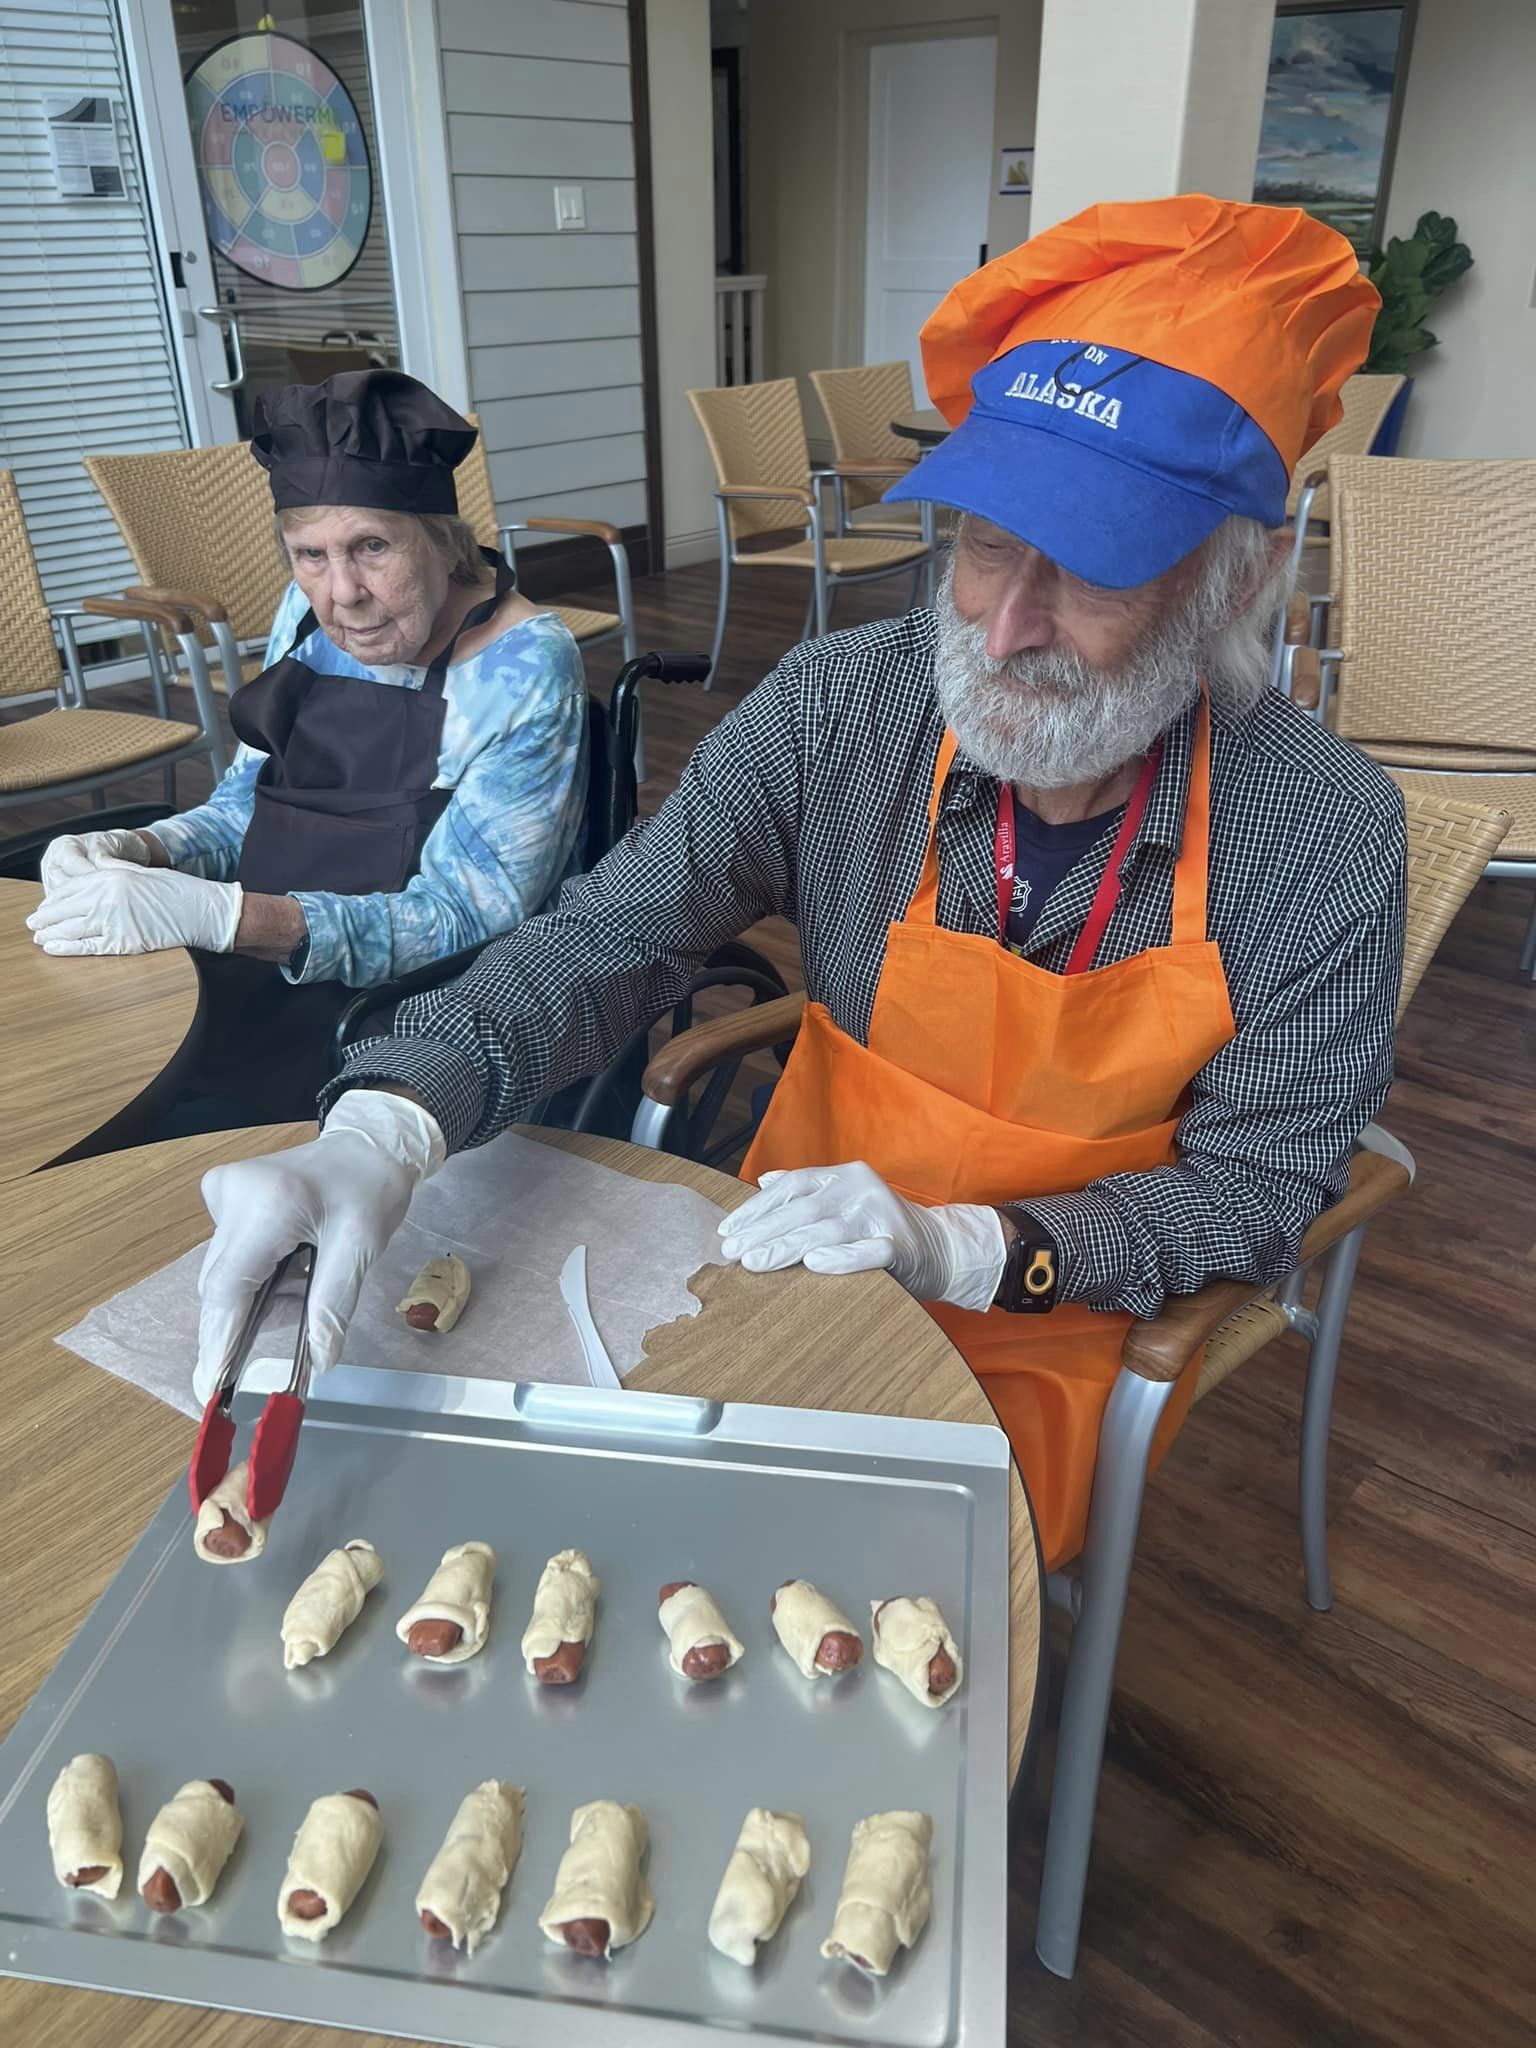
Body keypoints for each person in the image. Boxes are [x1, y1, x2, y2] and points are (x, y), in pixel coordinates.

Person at [191, 197, 1406, 1569]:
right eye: (990, 542)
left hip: (1061, 1305)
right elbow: (613, 936)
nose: (1005, 626)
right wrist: (386, 1125)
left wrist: (967, 1247)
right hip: (782, 1259)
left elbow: (1254, 1191)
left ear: (1237, 585)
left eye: (1091, 569)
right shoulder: (842, 711)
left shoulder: (1319, 828)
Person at [27, 370, 587, 1129]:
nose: (342, 593)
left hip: (394, 1016)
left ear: (442, 539)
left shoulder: (524, 663)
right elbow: (243, 810)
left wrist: (235, 920)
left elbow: (470, 915)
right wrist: (141, 850)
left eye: (372, 546)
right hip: (247, 969)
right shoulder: (308, 611)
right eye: (309, 554)